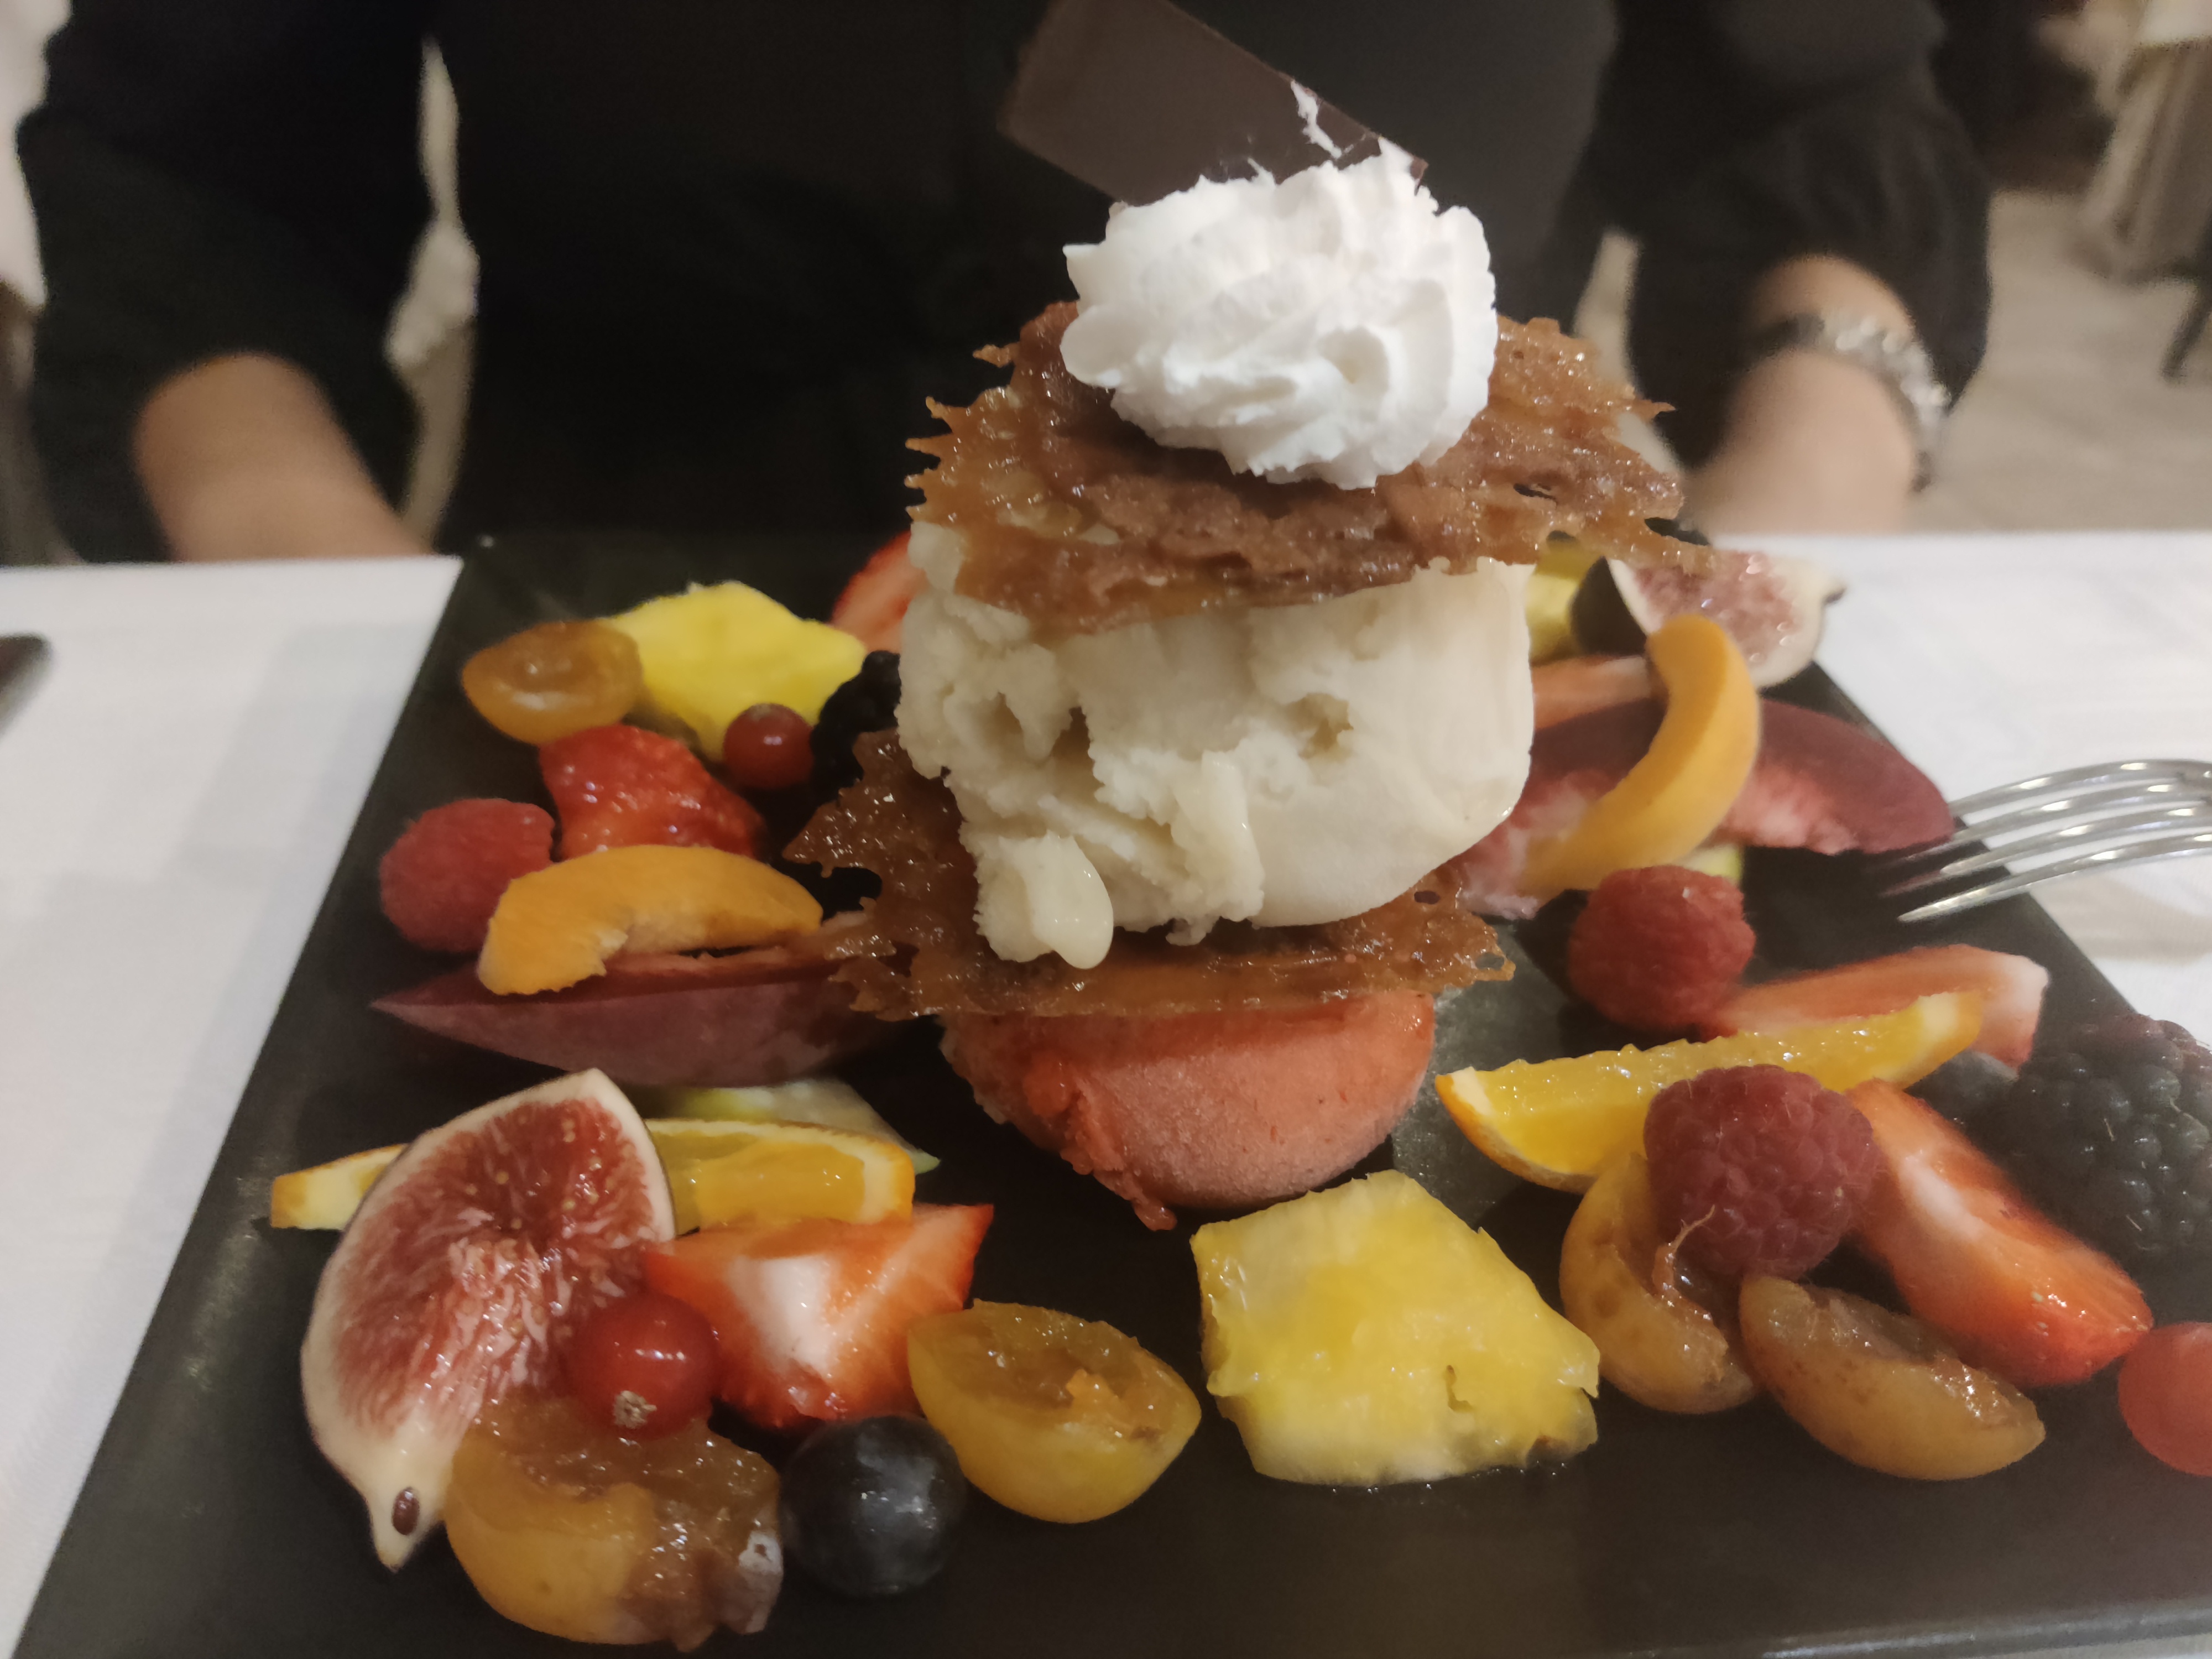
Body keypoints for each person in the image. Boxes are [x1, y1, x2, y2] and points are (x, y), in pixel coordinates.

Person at [18, 0, 1988, 564]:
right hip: (639, 646)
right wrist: (320, 588)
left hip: (1403, 646)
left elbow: (1815, 109)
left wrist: (1805, 493)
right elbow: (197, 163)